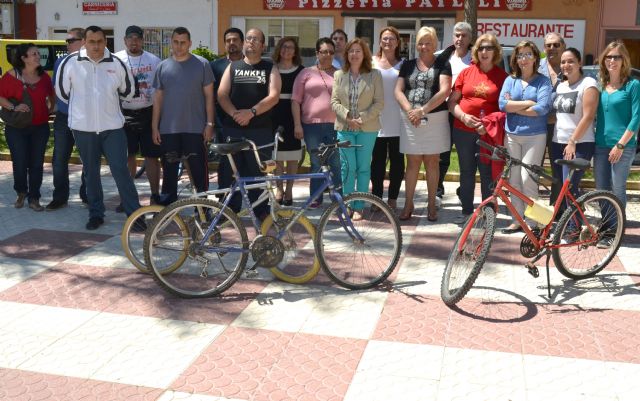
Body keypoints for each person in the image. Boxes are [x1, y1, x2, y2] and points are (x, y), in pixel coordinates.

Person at [56, 26, 141, 230]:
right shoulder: (70, 62)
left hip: (112, 128)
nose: (96, 46)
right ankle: (96, 214)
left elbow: (128, 91)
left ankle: (135, 215)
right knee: (90, 172)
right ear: (84, 42)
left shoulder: (116, 63)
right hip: (83, 129)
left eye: (100, 41)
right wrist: (83, 111)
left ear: (106, 42)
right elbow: (62, 93)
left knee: (121, 170)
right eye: (91, 41)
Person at [217, 28, 281, 218]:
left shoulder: (270, 68)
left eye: (256, 39)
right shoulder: (233, 67)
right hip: (233, 129)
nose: (251, 41)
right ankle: (228, 214)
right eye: (248, 38)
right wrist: (235, 113)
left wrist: (251, 113)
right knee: (228, 173)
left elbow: (274, 96)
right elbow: (222, 94)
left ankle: (260, 213)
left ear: (263, 46)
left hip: (260, 131)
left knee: (258, 174)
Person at [448, 33, 508, 225]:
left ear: (496, 52)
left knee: (487, 172)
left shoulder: (503, 77)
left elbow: (506, 108)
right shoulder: (466, 73)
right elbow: (452, 102)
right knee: (466, 171)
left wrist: (488, 125)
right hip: (462, 130)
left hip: (488, 134)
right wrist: (463, 117)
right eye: (481, 48)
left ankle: (487, 213)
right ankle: (467, 211)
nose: (484, 51)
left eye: (489, 47)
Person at [152, 27, 214, 205]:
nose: (179, 46)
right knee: (169, 174)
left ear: (190, 43)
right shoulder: (162, 67)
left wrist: (210, 124)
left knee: (199, 174)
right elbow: (158, 99)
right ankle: (168, 211)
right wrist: (155, 127)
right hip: (168, 131)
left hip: (195, 129)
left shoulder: (202, 64)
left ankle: (203, 210)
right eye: (176, 42)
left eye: (183, 43)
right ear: (171, 43)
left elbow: (209, 96)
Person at [395, 26, 452, 221]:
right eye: (420, 43)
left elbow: (445, 91)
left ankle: (431, 204)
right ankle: (408, 204)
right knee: (412, 163)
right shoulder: (408, 64)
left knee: (432, 162)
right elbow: (398, 91)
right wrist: (411, 111)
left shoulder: (443, 64)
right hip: (410, 120)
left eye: (428, 43)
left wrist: (422, 110)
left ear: (435, 44)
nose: (424, 46)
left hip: (435, 119)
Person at [499, 40, 552, 234]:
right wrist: (528, 102)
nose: (524, 59)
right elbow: (502, 105)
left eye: (528, 54)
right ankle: (517, 219)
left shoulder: (543, 81)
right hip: (512, 135)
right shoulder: (510, 80)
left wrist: (515, 107)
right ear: (516, 59)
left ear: (535, 57)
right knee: (514, 179)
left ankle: (534, 222)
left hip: (534, 136)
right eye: (520, 55)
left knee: (528, 178)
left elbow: (542, 108)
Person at [331, 38, 384, 221]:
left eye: (358, 51)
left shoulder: (374, 75)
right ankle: (347, 204)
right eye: (351, 51)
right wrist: (348, 117)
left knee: (362, 167)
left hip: (367, 128)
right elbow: (334, 102)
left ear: (364, 54)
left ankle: (359, 206)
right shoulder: (339, 75)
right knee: (347, 167)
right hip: (344, 127)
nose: (354, 54)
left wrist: (361, 119)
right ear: (346, 54)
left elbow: (379, 103)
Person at [593, 41, 640, 246]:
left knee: (617, 188)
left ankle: (615, 231)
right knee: (601, 188)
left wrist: (620, 145)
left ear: (624, 60)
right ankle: (606, 228)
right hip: (600, 145)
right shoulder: (600, 86)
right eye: (609, 56)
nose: (612, 60)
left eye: (616, 57)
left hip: (623, 146)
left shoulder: (633, 85)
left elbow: (636, 118)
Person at [0, 43, 55, 211]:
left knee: (37, 164)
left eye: (38, 53)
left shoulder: (44, 77)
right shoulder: (11, 76)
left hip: (40, 127)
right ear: (24, 58)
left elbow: (51, 95)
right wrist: (13, 107)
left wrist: (49, 109)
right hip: (16, 128)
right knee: (20, 162)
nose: (38, 56)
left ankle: (34, 198)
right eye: (34, 54)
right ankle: (21, 192)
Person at [291, 37, 342, 208]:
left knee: (336, 163)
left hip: (335, 125)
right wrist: (297, 124)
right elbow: (295, 101)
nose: (327, 55)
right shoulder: (305, 73)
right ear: (317, 53)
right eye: (324, 52)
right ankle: (316, 196)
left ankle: (338, 199)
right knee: (316, 162)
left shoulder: (340, 74)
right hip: (311, 126)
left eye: (331, 52)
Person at [115, 25, 162, 207]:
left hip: (148, 113)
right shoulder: (116, 60)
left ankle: (155, 195)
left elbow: (160, 90)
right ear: (125, 40)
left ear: (142, 40)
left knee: (152, 156)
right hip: (124, 114)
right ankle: (127, 197)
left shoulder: (154, 60)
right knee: (128, 156)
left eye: (137, 38)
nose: (133, 41)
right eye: (130, 38)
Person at [551, 47, 598, 212]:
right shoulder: (560, 86)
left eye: (571, 61)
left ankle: (574, 225)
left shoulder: (588, 83)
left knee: (569, 187)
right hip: (557, 142)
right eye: (563, 62)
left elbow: (588, 116)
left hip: (579, 143)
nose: (566, 65)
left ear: (579, 63)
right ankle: (571, 222)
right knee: (564, 188)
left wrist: (572, 141)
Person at [46, 28, 87, 211]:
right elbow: (55, 88)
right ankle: (60, 197)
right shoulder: (61, 61)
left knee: (89, 159)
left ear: (83, 41)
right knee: (59, 159)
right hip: (64, 117)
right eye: (66, 41)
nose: (67, 44)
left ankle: (87, 194)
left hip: (85, 118)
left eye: (71, 41)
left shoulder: (91, 62)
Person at [436, 22, 473, 208]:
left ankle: (463, 191)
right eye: (457, 35)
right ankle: (437, 191)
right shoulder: (444, 57)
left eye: (464, 35)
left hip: (465, 112)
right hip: (443, 111)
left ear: (470, 38)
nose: (460, 39)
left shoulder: (475, 58)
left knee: (465, 155)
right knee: (442, 153)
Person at [371, 26, 404, 210]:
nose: (388, 42)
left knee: (398, 163)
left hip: (398, 120)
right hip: (375, 120)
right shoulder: (371, 62)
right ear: (380, 41)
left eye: (392, 39)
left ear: (397, 43)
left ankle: (392, 198)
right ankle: (376, 198)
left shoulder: (404, 64)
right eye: (385, 38)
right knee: (377, 163)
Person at [272, 37, 304, 205]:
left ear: (295, 51)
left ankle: (289, 189)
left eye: (291, 47)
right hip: (274, 114)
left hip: (294, 115)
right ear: (279, 49)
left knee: (292, 156)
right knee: (277, 155)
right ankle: (279, 188)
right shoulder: (272, 69)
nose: (287, 50)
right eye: (284, 47)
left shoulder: (302, 71)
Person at [539, 32, 567, 203]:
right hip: (537, 126)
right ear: (544, 48)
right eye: (548, 45)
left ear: (563, 47)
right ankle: (528, 209)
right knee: (532, 168)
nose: (552, 48)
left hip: (561, 127)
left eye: (556, 45)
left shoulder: (569, 68)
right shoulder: (535, 67)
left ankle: (557, 208)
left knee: (558, 168)